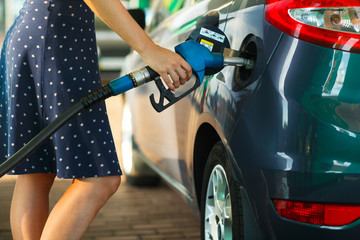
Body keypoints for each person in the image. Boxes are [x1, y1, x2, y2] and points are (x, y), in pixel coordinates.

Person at [0, 0, 192, 239]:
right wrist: (148, 49)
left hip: (36, 33)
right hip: (57, 43)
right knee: (100, 179)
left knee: (36, 173)